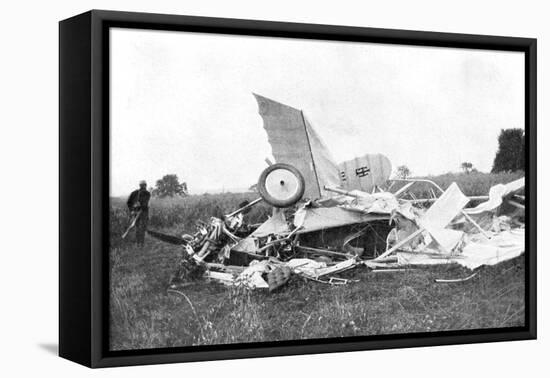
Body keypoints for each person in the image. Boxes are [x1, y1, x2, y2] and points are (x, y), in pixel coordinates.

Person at [126, 180, 151, 247]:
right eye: (143, 185)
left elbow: (145, 204)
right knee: (139, 228)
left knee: (141, 228)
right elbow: (128, 202)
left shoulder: (147, 193)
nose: (144, 186)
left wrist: (136, 207)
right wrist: (132, 210)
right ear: (141, 185)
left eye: (144, 185)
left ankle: (141, 244)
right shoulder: (135, 193)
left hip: (143, 212)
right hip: (138, 213)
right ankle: (139, 244)